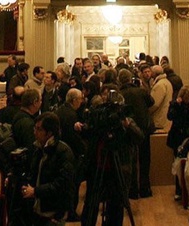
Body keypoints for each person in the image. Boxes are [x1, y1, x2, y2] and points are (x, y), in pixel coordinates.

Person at [81, 87, 142, 226]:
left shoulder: (126, 121)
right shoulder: (100, 119)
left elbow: (139, 137)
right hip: (98, 167)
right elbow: (88, 134)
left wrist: (127, 125)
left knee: (116, 204)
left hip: (118, 167)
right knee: (92, 202)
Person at [22, 113, 76, 226]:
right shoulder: (38, 148)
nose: (34, 132)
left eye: (39, 129)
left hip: (53, 213)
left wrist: (36, 191)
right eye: (34, 128)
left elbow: (62, 184)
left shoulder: (63, 152)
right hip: (38, 210)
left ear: (49, 133)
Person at [118, 68, 153, 198]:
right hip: (143, 128)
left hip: (127, 131)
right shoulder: (141, 91)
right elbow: (151, 102)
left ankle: (132, 191)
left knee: (130, 162)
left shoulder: (120, 94)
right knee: (145, 160)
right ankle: (145, 189)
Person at [56, 88, 88, 220]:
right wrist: (84, 150)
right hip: (70, 154)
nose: (81, 102)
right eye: (80, 99)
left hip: (62, 152)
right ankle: (71, 213)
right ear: (74, 100)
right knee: (72, 185)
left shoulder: (62, 110)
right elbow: (72, 137)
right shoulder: (71, 115)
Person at [149, 66, 171, 132]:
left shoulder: (160, 85)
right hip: (165, 118)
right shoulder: (166, 82)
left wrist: (148, 111)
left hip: (159, 119)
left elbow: (155, 104)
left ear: (154, 73)